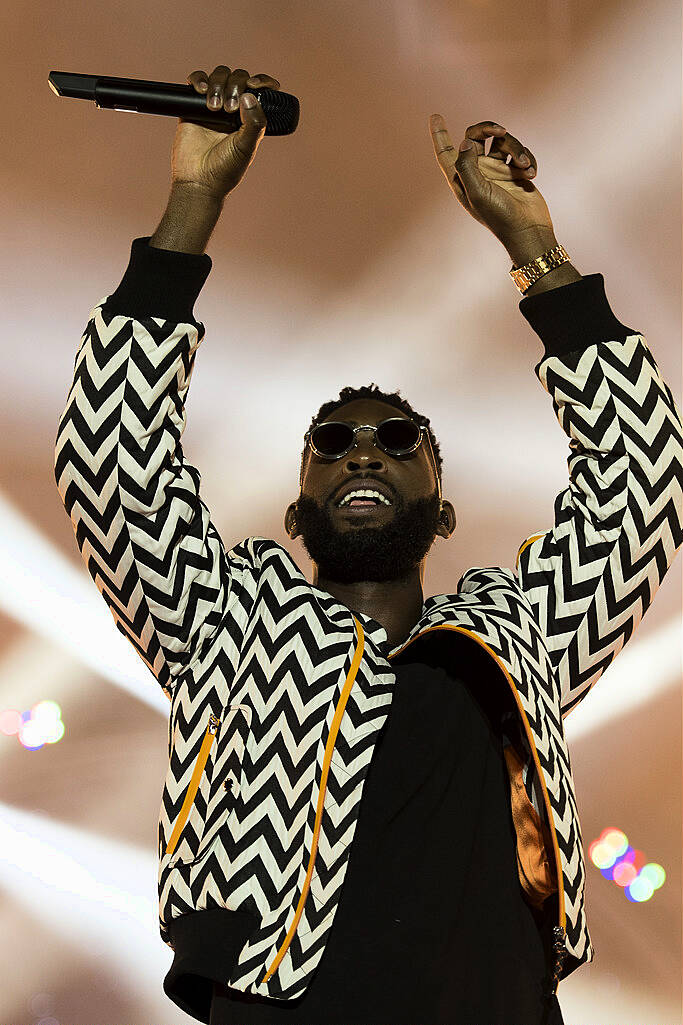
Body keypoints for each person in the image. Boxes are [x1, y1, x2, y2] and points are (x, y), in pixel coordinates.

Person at [53, 63, 683, 1025]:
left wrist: (532, 247)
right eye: (331, 442)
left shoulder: (519, 635)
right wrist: (193, 198)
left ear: (441, 507)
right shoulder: (225, 621)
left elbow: (639, 477)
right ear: (297, 508)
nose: (363, 451)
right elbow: (112, 455)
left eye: (398, 440)